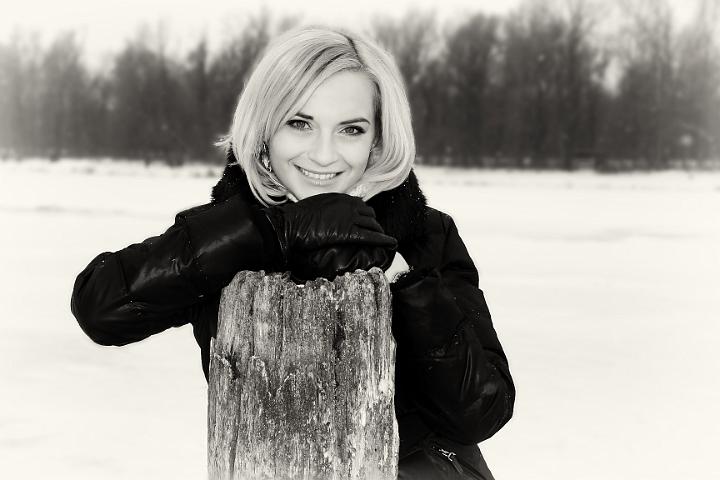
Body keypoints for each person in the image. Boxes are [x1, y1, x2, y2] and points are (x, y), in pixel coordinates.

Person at [70, 25, 515, 479]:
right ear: (265, 129)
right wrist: (270, 232)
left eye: (351, 129)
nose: (323, 155)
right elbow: (101, 308)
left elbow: (483, 410)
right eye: (300, 124)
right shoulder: (228, 235)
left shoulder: (425, 234)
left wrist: (398, 273)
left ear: (377, 140)